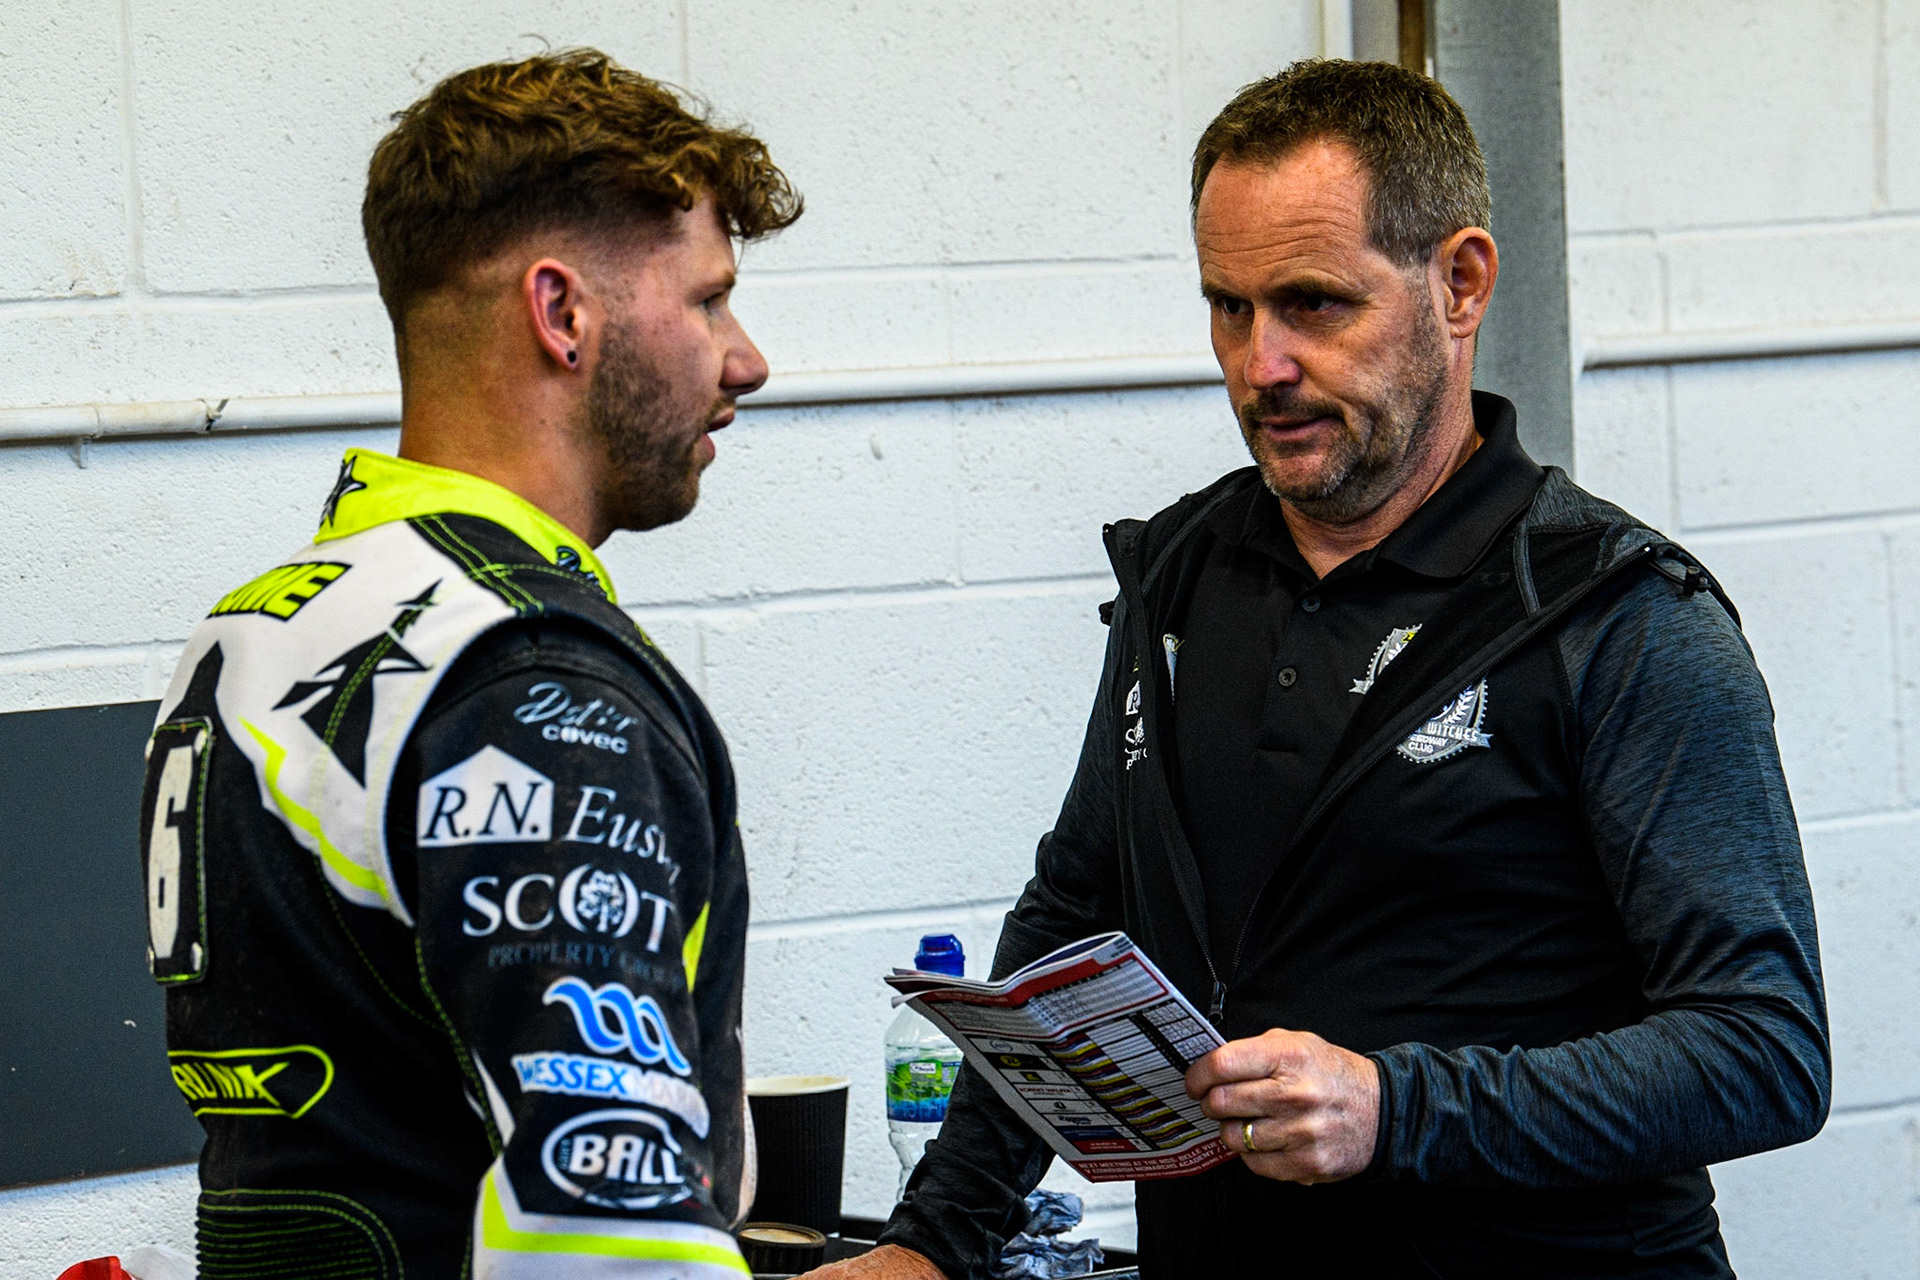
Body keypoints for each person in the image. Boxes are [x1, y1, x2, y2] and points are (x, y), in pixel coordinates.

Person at [812, 59, 1827, 1278]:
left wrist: (1394, 1107)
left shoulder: (1614, 613)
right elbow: (1077, 918)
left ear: (1460, 284)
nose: (1261, 364)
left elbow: (1763, 1048)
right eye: (1227, 307)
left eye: (1314, 304)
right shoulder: (1182, 574)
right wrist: (933, 1241)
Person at [137, 50, 799, 1279]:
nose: (745, 356)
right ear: (562, 314)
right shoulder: (535, 685)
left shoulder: (251, 632)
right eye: (706, 300)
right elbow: (605, 1239)